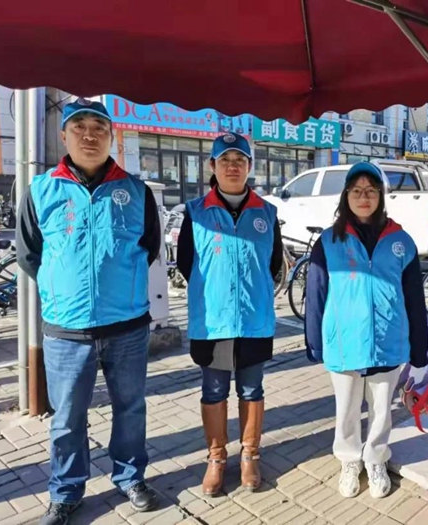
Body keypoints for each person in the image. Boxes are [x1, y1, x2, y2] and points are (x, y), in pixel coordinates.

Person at [16, 99, 161, 525]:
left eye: (99, 127)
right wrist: (63, 288)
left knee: (130, 408)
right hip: (66, 330)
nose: (89, 135)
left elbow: (150, 246)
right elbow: (29, 255)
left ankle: (130, 477)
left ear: (111, 136)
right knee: (66, 419)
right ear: (64, 136)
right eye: (79, 127)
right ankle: (66, 492)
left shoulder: (136, 192)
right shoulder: (40, 190)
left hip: (127, 326)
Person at [305, 162, 428, 500]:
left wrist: (419, 349)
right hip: (344, 342)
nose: (364, 197)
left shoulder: (401, 241)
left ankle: (375, 458)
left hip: (388, 340)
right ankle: (349, 459)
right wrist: (314, 341)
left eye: (371, 190)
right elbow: (315, 294)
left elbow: (415, 299)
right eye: (357, 190)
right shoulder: (329, 241)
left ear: (381, 196)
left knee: (381, 409)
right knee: (346, 408)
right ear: (346, 195)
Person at [176, 132, 283, 495]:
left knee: (252, 387)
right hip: (213, 321)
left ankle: (250, 454)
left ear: (250, 166)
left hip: (254, 319)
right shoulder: (195, 213)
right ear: (212, 166)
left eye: (240, 160)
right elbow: (186, 263)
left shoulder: (267, 213)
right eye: (225, 160)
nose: (233, 167)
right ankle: (217, 457)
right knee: (213, 390)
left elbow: (272, 263)